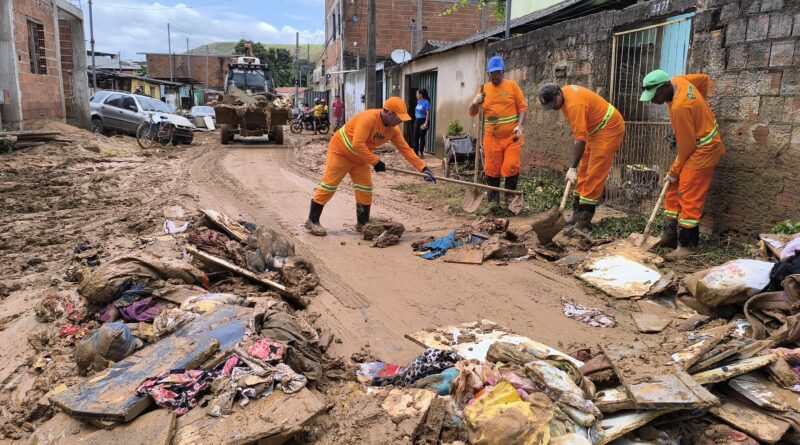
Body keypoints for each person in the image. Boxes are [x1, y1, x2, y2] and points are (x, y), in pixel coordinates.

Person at [305, 97, 437, 236]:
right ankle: (312, 220)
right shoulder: (368, 118)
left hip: (361, 158)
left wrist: (423, 169)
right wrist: (375, 161)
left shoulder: (393, 130)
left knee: (365, 188)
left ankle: (362, 223)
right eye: (399, 117)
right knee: (329, 185)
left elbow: (406, 150)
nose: (401, 121)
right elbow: (357, 144)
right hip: (341, 152)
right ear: (390, 113)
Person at [640, 69, 725, 258]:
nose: (653, 101)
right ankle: (669, 235)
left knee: (688, 193)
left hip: (704, 148)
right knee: (673, 186)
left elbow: (686, 148)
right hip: (695, 144)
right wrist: (699, 111)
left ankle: (688, 246)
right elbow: (703, 80)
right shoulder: (679, 81)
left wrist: (673, 169)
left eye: (654, 96)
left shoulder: (680, 107)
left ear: (664, 87)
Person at [538, 83, 626, 232]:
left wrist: (572, 167)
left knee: (594, 173)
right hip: (593, 131)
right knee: (583, 170)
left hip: (608, 128)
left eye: (553, 104)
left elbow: (580, 139)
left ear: (558, 93)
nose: (553, 108)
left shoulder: (574, 105)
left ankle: (584, 221)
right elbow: (579, 134)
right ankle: (576, 214)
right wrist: (576, 168)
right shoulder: (564, 98)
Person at [468, 55, 527, 211]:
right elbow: (472, 112)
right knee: (492, 170)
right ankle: (493, 203)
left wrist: (520, 126)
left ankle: (510, 201)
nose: (495, 76)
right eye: (492, 73)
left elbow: (522, 108)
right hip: (492, 138)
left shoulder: (512, 86)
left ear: (503, 71)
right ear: (488, 73)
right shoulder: (483, 90)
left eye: (498, 72)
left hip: (512, 137)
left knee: (511, 167)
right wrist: (475, 102)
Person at [413, 89, 431, 158]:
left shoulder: (426, 102)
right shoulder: (418, 101)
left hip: (423, 120)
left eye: (417, 94)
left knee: (422, 136)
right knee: (415, 136)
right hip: (417, 120)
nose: (416, 95)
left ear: (421, 95)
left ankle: (421, 152)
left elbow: (428, 113)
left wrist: (426, 123)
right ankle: (415, 152)